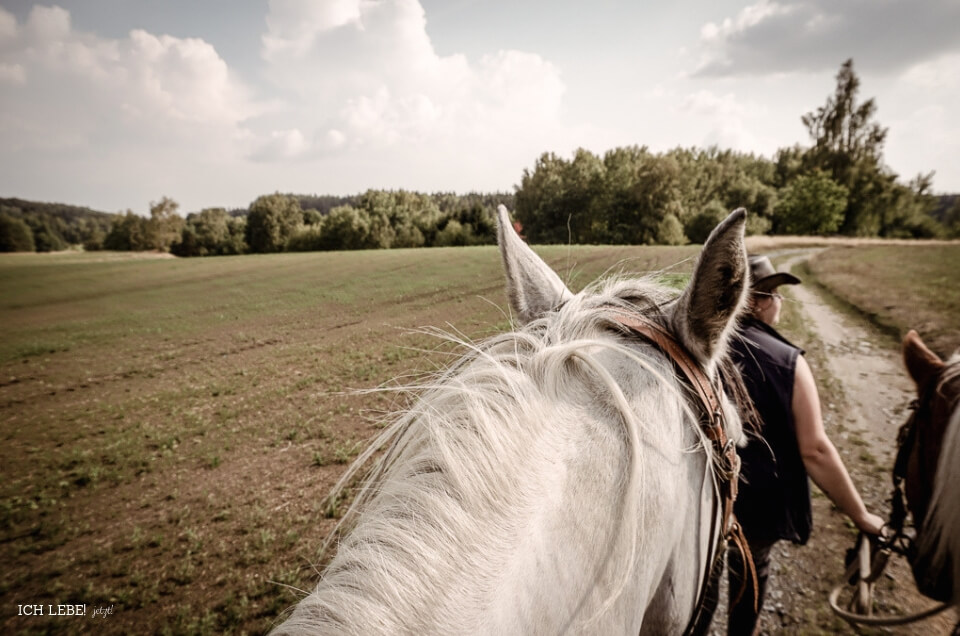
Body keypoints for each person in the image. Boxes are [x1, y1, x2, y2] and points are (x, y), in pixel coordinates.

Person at [707, 254, 885, 636]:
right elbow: (815, 450)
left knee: (702, 584)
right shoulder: (789, 363)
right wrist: (861, 515)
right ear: (755, 302)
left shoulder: (699, 352)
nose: (779, 302)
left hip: (704, 503)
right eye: (774, 294)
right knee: (749, 583)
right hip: (757, 510)